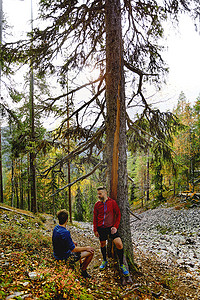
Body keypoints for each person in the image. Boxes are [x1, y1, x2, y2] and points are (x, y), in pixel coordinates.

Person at [93, 186, 129, 276]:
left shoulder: (112, 203)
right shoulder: (97, 205)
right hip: (101, 228)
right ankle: (104, 261)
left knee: (119, 244)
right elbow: (95, 218)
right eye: (98, 194)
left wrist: (115, 227)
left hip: (111, 228)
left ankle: (121, 264)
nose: (99, 196)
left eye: (100, 194)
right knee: (102, 244)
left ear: (105, 193)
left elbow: (118, 214)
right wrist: (95, 229)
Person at [52, 209, 94, 279]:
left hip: (57, 254)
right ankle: (83, 271)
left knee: (75, 245)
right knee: (91, 252)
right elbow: (73, 249)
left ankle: (80, 265)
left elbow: (61, 240)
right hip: (64, 257)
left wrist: (72, 242)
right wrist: (87, 248)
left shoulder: (56, 228)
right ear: (67, 219)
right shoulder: (65, 232)